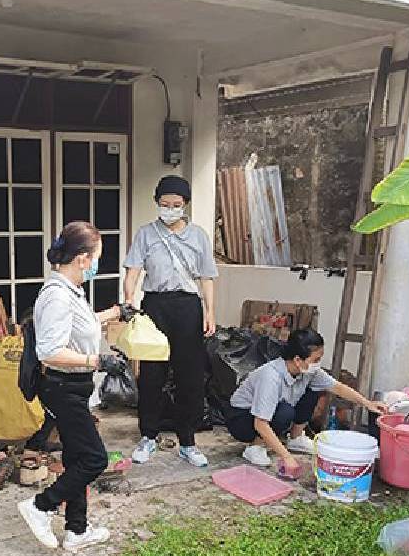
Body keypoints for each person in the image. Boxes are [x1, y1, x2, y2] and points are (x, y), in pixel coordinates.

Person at [17, 221, 132, 552]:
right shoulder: (56, 297)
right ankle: (40, 507)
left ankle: (77, 530)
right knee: (94, 459)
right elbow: (50, 350)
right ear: (83, 258)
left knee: (77, 456)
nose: (98, 264)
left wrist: (115, 312)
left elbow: (80, 324)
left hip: (72, 387)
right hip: (61, 388)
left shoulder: (70, 291)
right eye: (97, 257)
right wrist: (97, 361)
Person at [124, 175, 218, 469]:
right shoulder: (145, 234)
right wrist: (129, 301)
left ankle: (187, 441)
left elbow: (207, 278)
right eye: (165, 204)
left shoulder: (199, 236)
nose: (170, 209)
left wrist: (209, 311)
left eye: (176, 205)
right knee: (152, 374)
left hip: (189, 307)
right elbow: (134, 271)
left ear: (185, 205)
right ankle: (148, 436)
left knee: (190, 376)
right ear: (157, 203)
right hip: (155, 306)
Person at [226, 329, 386, 474]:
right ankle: (255, 447)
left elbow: (337, 387)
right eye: (316, 359)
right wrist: (287, 457)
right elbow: (260, 423)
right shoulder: (271, 376)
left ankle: (295, 438)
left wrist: (368, 404)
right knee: (285, 412)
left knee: (313, 391)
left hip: (267, 413)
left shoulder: (309, 372)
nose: (318, 364)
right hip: (241, 419)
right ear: (297, 359)